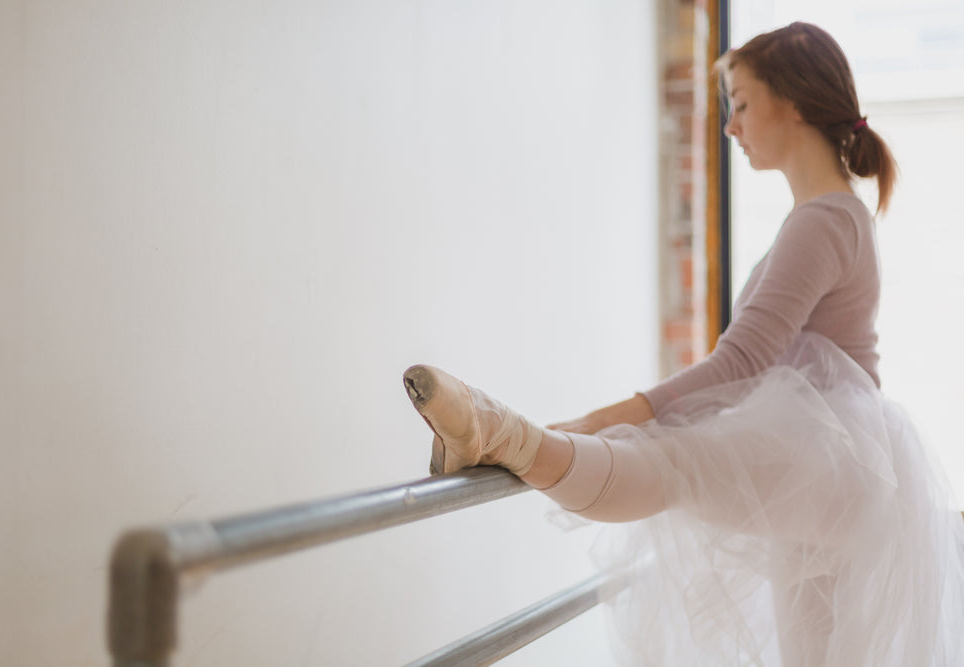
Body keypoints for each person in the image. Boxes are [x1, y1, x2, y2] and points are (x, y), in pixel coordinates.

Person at [402, 22, 964, 667]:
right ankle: (504, 434)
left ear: (795, 104)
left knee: (669, 461)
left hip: (835, 452)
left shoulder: (824, 219)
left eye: (743, 104)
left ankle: (500, 433)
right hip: (844, 464)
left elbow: (742, 363)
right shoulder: (835, 214)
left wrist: (603, 418)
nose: (732, 127)